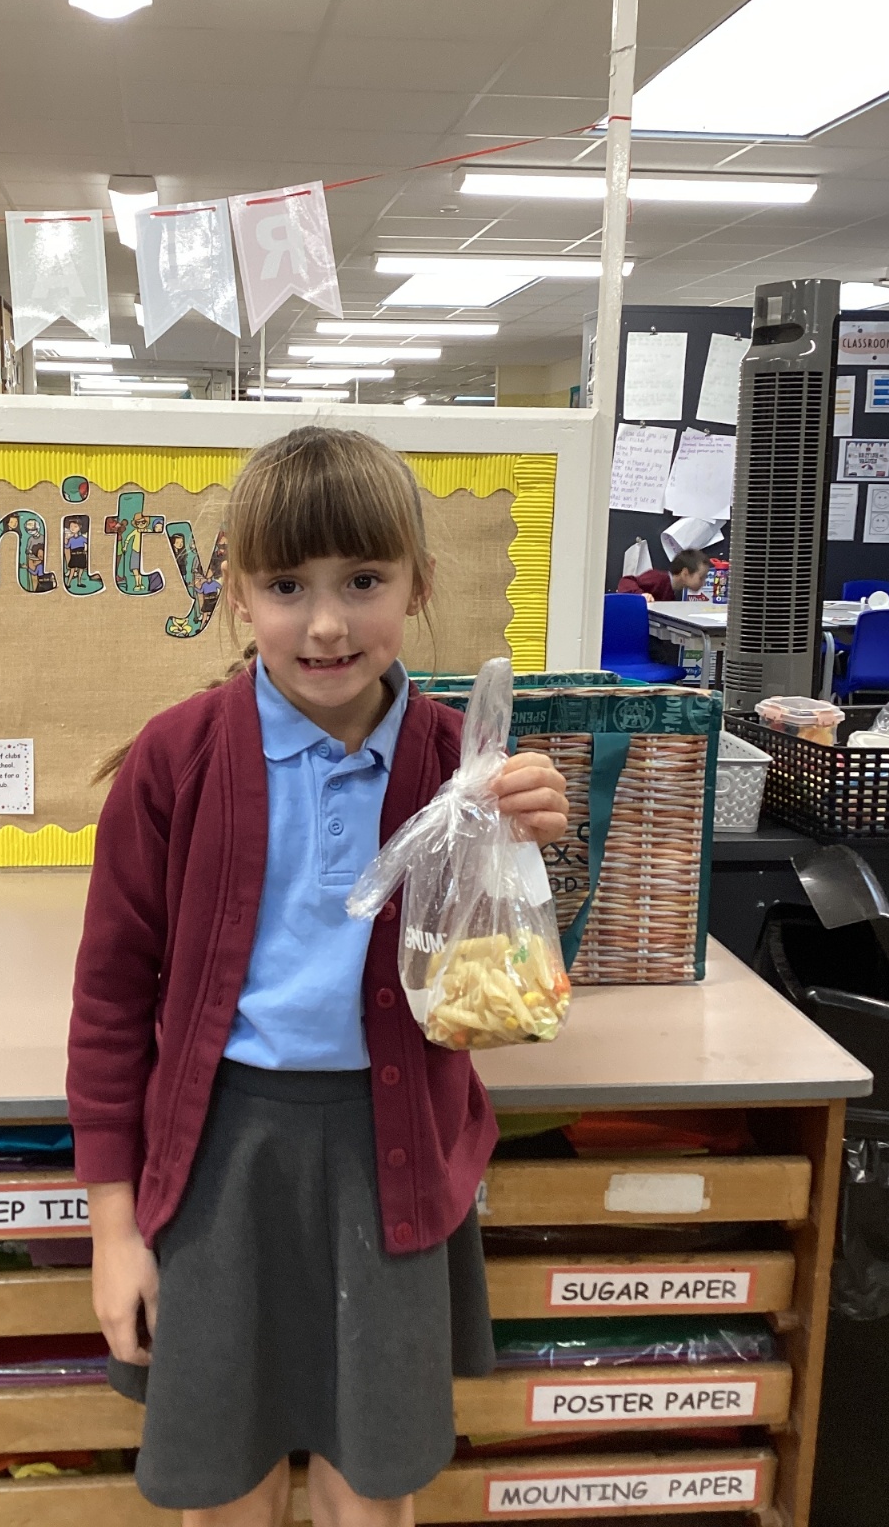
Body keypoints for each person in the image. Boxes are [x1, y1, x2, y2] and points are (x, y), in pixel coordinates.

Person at [68, 427, 569, 1527]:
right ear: (238, 594)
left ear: (418, 584)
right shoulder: (177, 760)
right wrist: (114, 1230)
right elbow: (109, 1003)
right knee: (224, 1482)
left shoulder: (460, 765)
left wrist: (530, 844)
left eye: (364, 581)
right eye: (288, 585)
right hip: (219, 1164)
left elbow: (510, 979)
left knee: (372, 1482)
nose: (328, 623)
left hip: (391, 1157)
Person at [617, 547, 711, 604]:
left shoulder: (673, 591)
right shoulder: (658, 578)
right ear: (685, 574)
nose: (703, 583)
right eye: (701, 577)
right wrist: (641, 595)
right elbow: (626, 581)